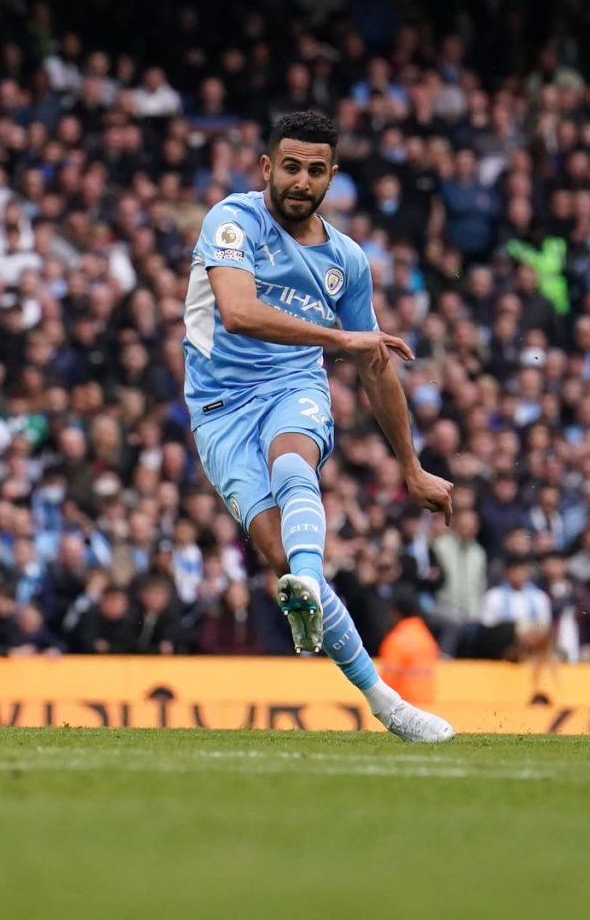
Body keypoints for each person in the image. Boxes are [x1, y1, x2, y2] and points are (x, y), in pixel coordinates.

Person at [182, 109, 456, 742]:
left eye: (315, 170)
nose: (300, 181)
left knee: (292, 460)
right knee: (277, 551)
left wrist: (411, 469)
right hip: (219, 410)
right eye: (290, 167)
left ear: (332, 176)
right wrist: (341, 335)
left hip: (291, 386)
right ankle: (367, 676)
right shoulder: (232, 220)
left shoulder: (346, 262)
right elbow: (240, 312)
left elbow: (375, 366)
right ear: (266, 168)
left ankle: (388, 704)